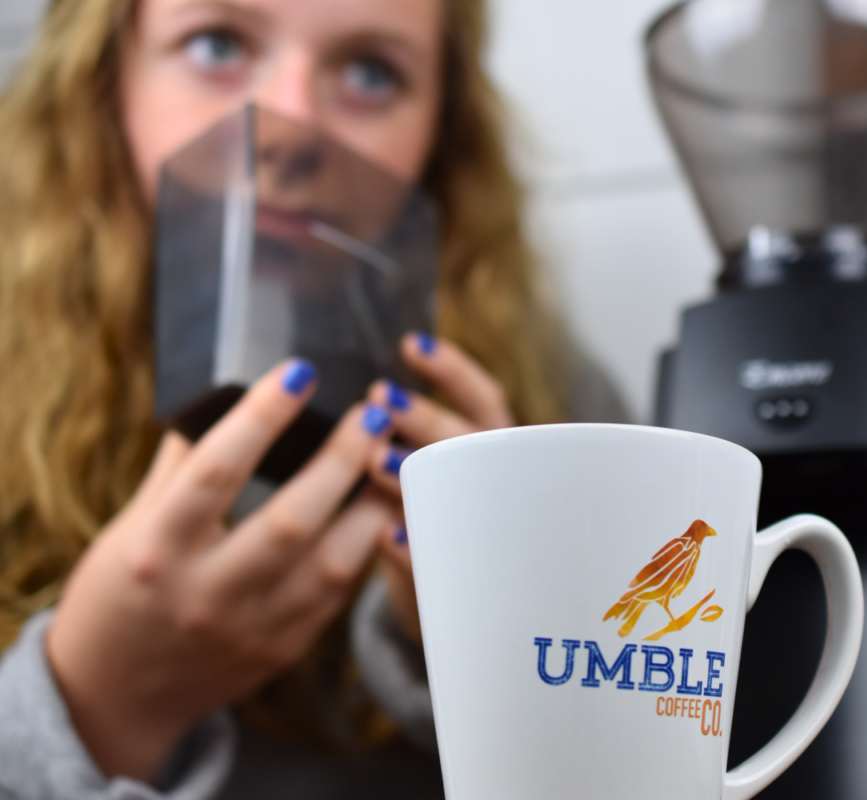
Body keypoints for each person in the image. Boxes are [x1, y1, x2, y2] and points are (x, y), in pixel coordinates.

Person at [0, 0, 629, 797]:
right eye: (216, 44)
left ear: (442, 127)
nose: (293, 124)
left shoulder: (553, 408)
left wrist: (520, 670)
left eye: (371, 72)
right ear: (102, 81)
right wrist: (95, 705)